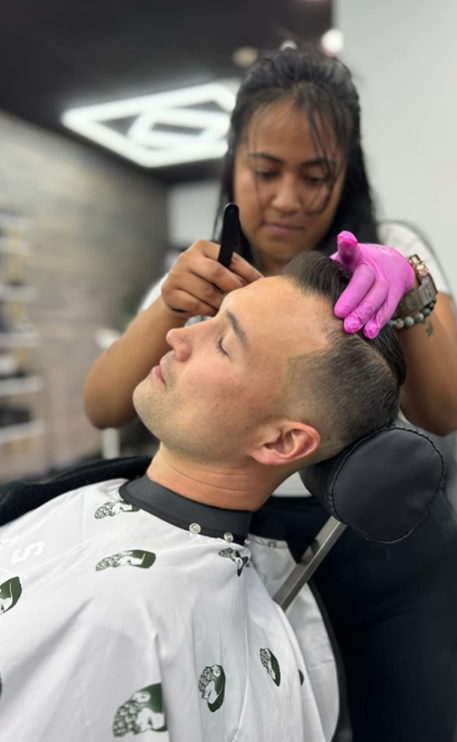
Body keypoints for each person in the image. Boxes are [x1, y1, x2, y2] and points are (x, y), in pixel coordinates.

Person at [83, 46, 457, 741]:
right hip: (236, 548)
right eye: (265, 171)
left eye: (316, 177)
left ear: (346, 173)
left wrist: (409, 288)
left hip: (382, 546)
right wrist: (168, 310)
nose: (287, 200)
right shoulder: (202, 270)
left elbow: (443, 411)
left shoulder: (393, 250)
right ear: (234, 162)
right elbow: (103, 405)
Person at [0, 253, 405, 742]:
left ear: (281, 442)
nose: (177, 335)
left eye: (224, 343)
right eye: (207, 317)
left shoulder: (124, 620)